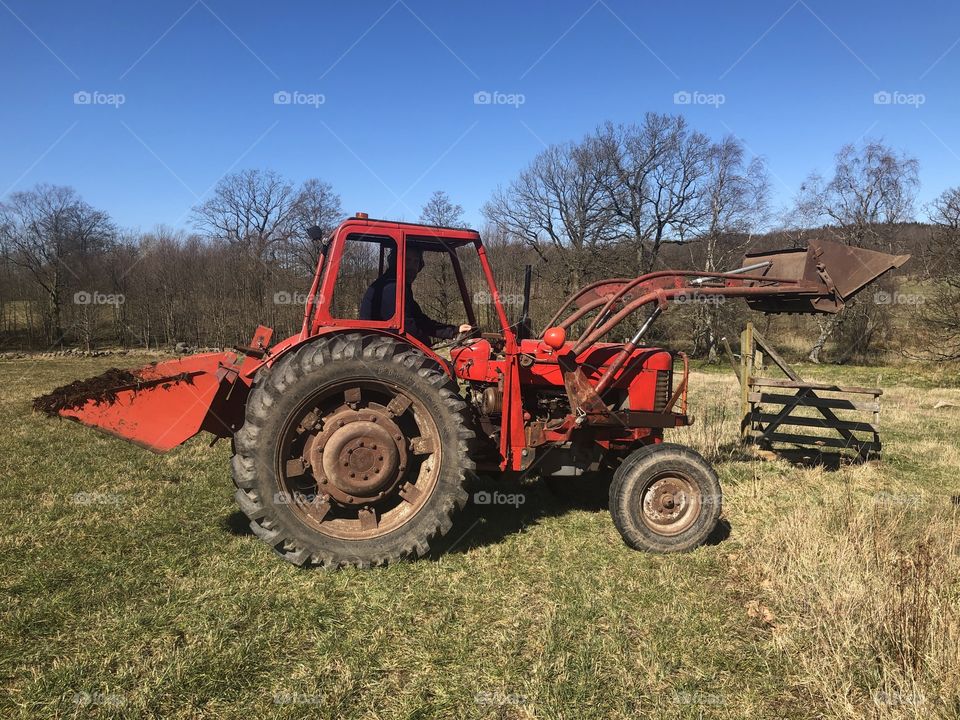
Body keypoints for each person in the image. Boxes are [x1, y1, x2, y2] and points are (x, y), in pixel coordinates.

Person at [360, 247, 472, 345]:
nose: (412, 267)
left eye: (415, 261)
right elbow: (406, 328)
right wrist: (429, 347)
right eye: (407, 260)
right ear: (396, 261)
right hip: (382, 350)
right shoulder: (391, 288)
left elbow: (420, 320)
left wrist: (453, 331)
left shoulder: (399, 286)